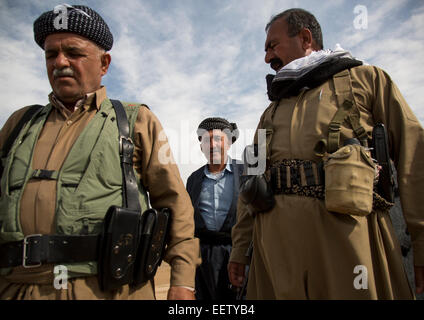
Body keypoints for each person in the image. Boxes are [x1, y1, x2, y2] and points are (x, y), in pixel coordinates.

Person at [0, 4, 200, 300]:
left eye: (74, 53)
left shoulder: (135, 120)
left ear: (104, 64)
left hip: (106, 290)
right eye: (51, 54)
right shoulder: (20, 123)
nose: (60, 62)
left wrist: (183, 281)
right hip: (16, 288)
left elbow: (173, 202)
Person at [228, 8, 424, 299]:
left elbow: (413, 158)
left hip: (350, 249)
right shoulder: (269, 114)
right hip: (276, 255)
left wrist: (421, 244)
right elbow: (251, 185)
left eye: (272, 45)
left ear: (305, 38)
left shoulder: (366, 80)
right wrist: (240, 250)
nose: (267, 58)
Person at [186, 117, 243, 300]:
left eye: (218, 139)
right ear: (201, 146)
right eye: (206, 140)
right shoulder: (193, 179)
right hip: (202, 258)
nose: (213, 145)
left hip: (238, 252)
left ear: (229, 142)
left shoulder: (246, 173)